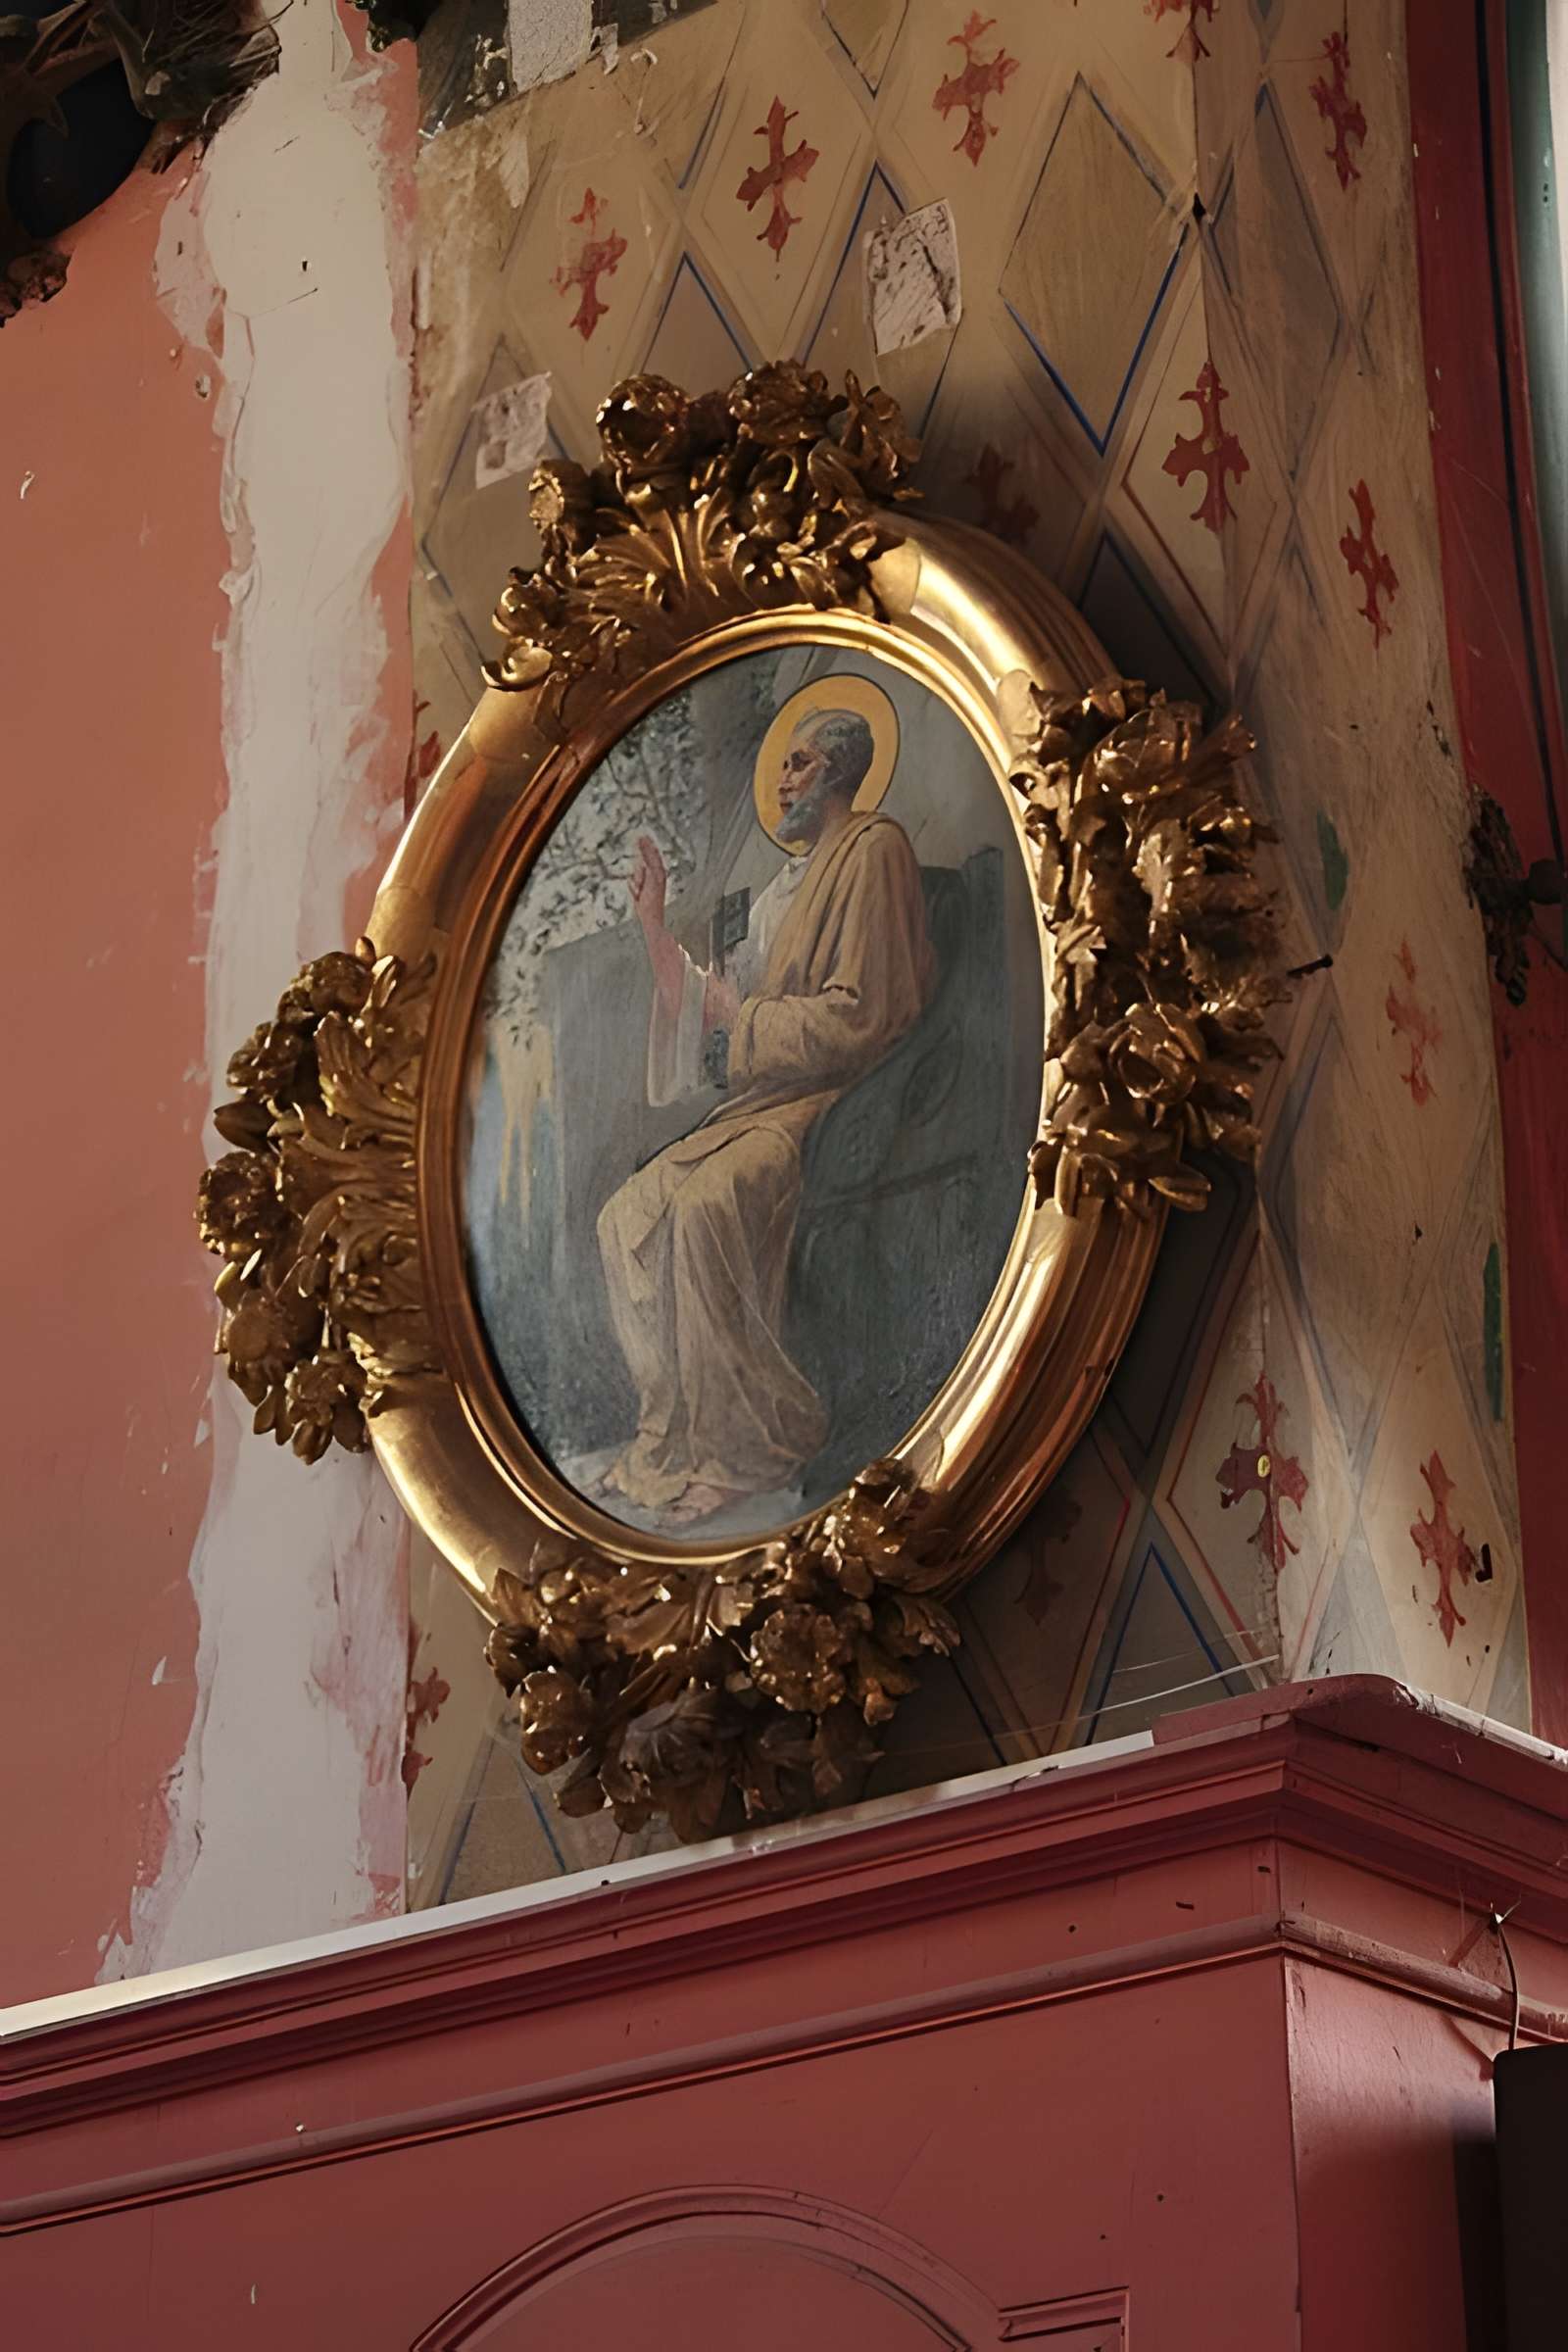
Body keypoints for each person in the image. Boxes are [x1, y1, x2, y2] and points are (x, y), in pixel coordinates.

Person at [595, 707, 935, 1525]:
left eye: (801, 762)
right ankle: (668, 1438)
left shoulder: (873, 851)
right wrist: (653, 929)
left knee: (709, 1204)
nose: (783, 779)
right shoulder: (784, 886)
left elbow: (863, 1015)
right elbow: (713, 1011)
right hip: (761, 1101)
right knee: (623, 1218)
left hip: (827, 1100)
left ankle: (745, 1450)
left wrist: (740, 1021)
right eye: (783, 764)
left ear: (844, 773)